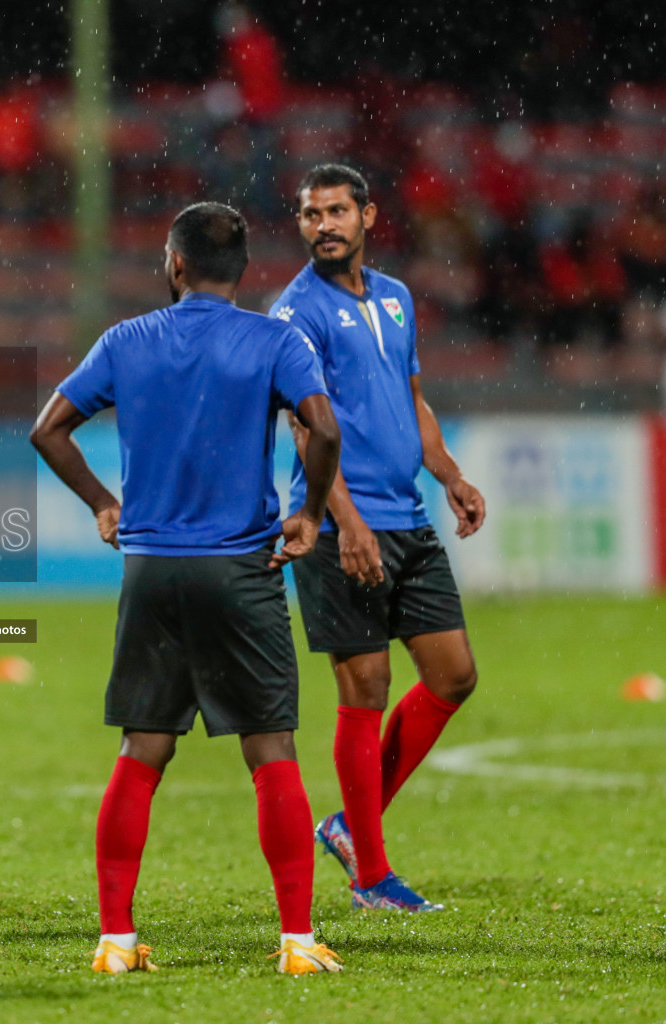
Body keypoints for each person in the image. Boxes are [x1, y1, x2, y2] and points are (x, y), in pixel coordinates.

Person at [32, 202, 344, 976]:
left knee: (144, 748)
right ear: (242, 269)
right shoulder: (275, 339)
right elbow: (326, 429)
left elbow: (47, 428)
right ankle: (298, 943)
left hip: (151, 568)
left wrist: (106, 504)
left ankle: (116, 941)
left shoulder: (126, 341)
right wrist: (307, 513)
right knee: (270, 749)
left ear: (174, 264)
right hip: (241, 566)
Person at [270, 163, 484, 912]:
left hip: (409, 518)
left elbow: (410, 395)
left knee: (454, 675)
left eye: (336, 211)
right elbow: (305, 428)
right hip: (339, 528)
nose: (323, 225)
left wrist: (449, 472)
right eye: (309, 214)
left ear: (368, 215)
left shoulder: (395, 298)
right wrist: (347, 523)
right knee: (365, 690)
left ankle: (348, 825)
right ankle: (370, 876)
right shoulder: (295, 312)